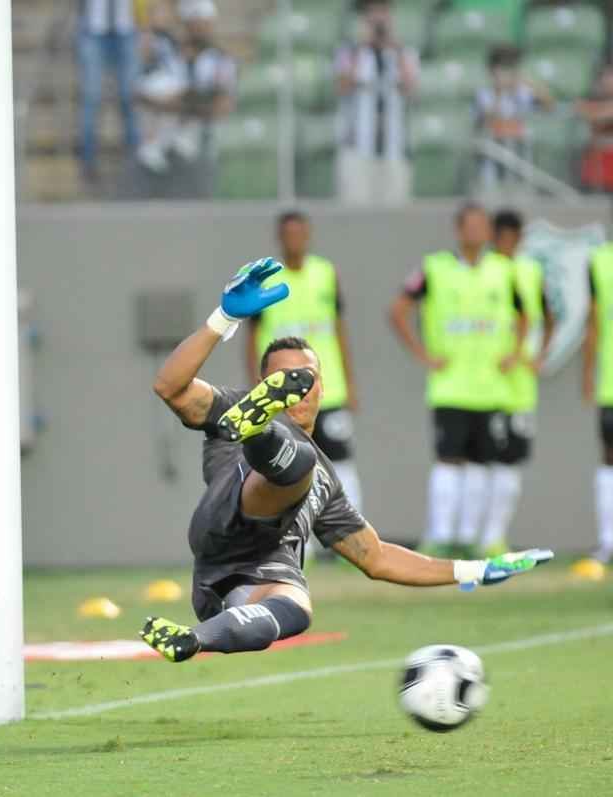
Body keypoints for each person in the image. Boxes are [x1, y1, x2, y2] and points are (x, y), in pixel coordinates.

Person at [139, 258, 551, 663]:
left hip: (239, 585)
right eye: (285, 380)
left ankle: (193, 639)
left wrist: (476, 570)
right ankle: (260, 431)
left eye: (307, 379)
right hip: (226, 519)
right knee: (298, 464)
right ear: (262, 385)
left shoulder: (327, 483)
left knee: (297, 607)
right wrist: (223, 317)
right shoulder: (231, 405)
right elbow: (169, 386)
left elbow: (377, 558)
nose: (300, 390)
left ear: (322, 387)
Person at [388, 204, 526, 557]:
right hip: (450, 386)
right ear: (459, 229)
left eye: (484, 226)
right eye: (472, 225)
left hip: (492, 387)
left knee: (483, 463)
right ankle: (442, 536)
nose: (478, 232)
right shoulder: (435, 268)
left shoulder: (503, 270)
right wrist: (422, 354)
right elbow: (398, 310)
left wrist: (516, 352)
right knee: (449, 460)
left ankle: (473, 539)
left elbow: (525, 314)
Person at [246, 211, 362, 515]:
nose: (294, 239)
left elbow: (339, 329)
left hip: (328, 388)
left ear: (308, 235)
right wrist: (256, 386)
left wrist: (350, 382)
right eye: (288, 234)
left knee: (340, 459)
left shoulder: (326, 273)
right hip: (282, 393)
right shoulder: (267, 279)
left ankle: (349, 527)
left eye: (300, 233)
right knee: (289, 461)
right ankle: (298, 539)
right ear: (279, 238)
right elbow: (252, 335)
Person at [480, 210, 553, 556]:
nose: (510, 242)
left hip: (520, 387)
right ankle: (474, 535)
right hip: (484, 384)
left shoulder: (531, 271)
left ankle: (495, 536)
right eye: (504, 235)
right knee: (481, 460)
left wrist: (537, 356)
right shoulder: (486, 269)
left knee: (511, 460)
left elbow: (549, 318)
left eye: (515, 236)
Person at [135, 0, 235, 176]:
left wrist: (181, 105)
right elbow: (143, 96)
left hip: (203, 136)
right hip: (167, 138)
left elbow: (222, 106)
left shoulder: (221, 59)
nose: (200, 28)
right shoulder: (170, 54)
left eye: (205, 22)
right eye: (195, 22)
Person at [334, 0, 418, 205]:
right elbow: (341, 86)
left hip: (394, 148)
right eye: (373, 12)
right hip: (358, 148)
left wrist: (395, 49)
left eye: (383, 12)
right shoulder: (348, 52)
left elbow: (411, 89)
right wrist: (361, 46)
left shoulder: (405, 52)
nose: (378, 19)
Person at [76, 0, 141, 185]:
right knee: (91, 99)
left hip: (127, 30)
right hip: (93, 30)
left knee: (129, 100)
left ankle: (134, 165)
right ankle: (88, 164)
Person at [474, 45, 553, 191]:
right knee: (492, 192)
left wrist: (527, 82)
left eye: (510, 68)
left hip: (520, 151)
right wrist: (499, 92)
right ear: (492, 71)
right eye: (502, 68)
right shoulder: (484, 94)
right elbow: (486, 120)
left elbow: (548, 105)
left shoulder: (523, 92)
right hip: (494, 153)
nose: (506, 74)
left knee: (521, 190)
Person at [580, 236, 613, 568]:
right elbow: (593, 321)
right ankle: (608, 542)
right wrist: (588, 371)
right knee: (609, 460)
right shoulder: (602, 261)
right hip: (612, 385)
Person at [578, 63, 613, 193]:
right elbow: (583, 110)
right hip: (598, 155)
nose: (609, 81)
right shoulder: (593, 97)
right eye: (607, 77)